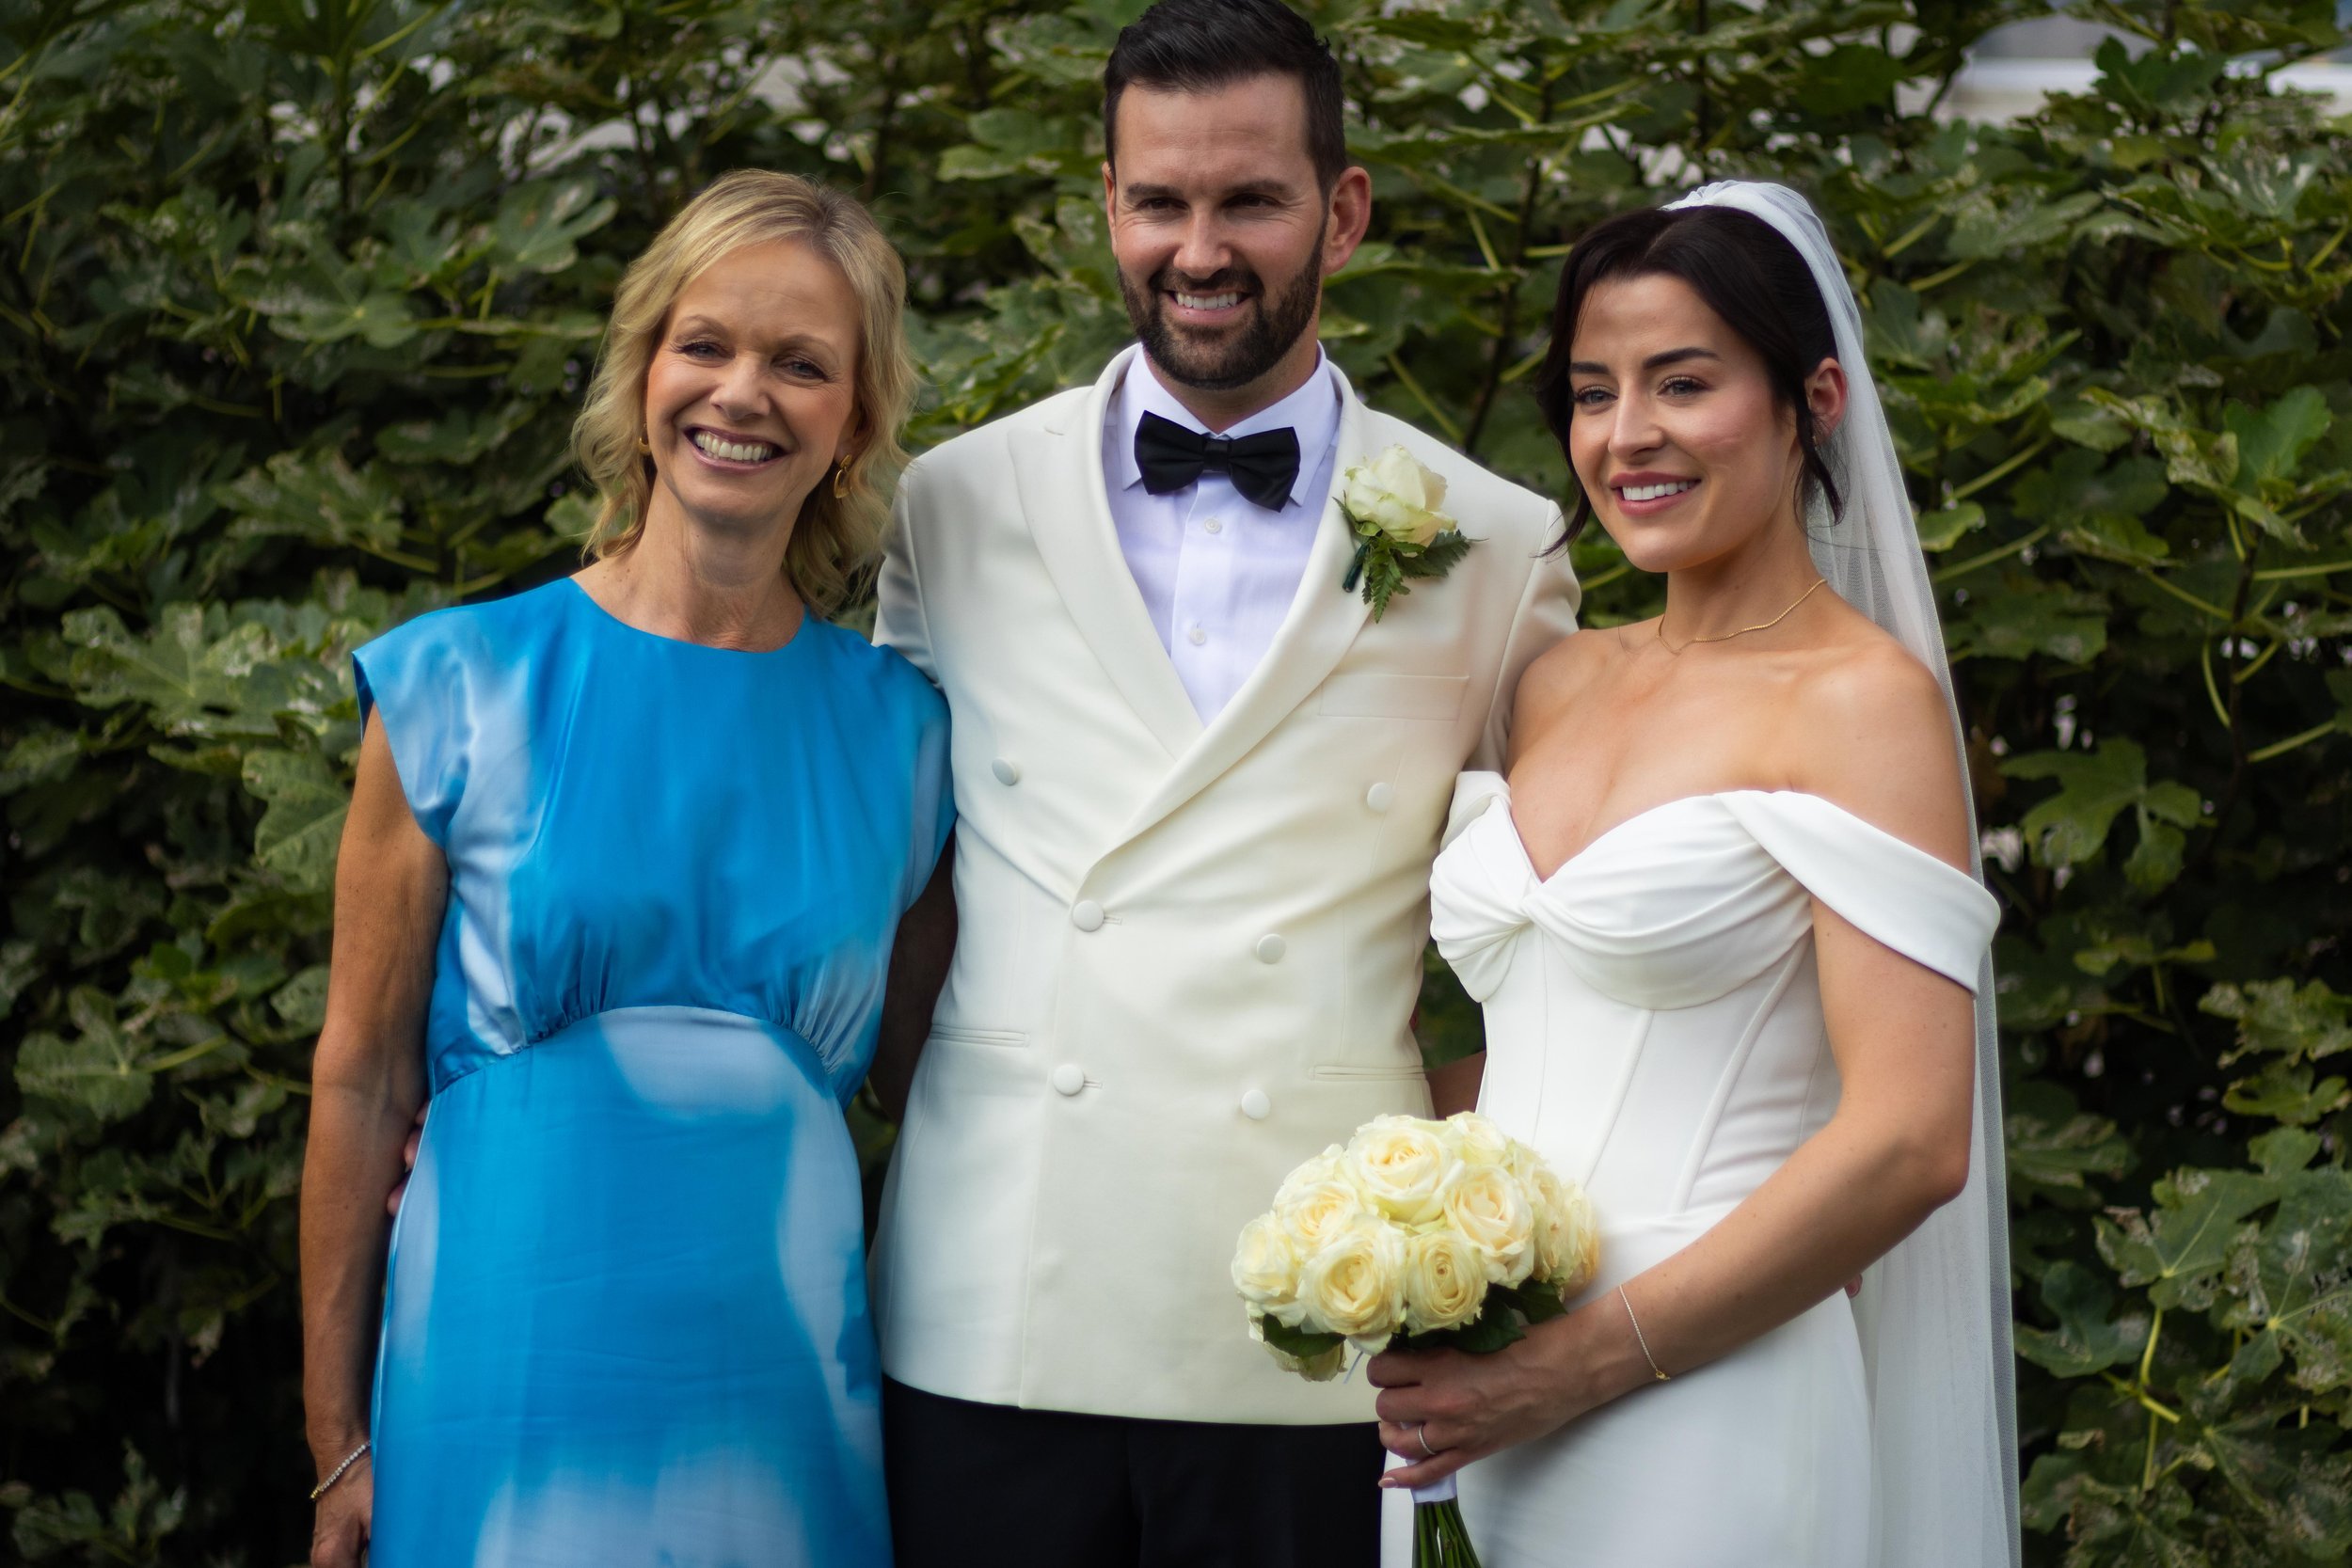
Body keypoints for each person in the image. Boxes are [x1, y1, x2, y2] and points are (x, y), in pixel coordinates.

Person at [864, 1, 1580, 1563]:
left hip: (1318, 1320)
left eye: (1249, 200)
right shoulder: (955, 498)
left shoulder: (1495, 541)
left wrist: (1484, 1216)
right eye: (1161, 202)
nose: (1200, 248)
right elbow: (883, 876)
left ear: (1345, 211)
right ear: (1107, 206)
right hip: (998, 1289)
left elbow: (1572, 939)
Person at [298, 169, 952, 1568]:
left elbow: (939, 1090)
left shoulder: (905, 736)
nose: (741, 392)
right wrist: (333, 1436)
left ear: (855, 422)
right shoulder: (453, 686)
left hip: (785, 1399)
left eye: (800, 364)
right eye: (703, 343)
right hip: (494, 1383)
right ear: (644, 368)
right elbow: (358, 1080)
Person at [1366, 182, 2016, 1567]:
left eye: (1683, 383)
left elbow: (1910, 1138)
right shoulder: (1552, 681)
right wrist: (1381, 1218)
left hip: (1705, 1393)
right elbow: (1550, 1034)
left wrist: (1581, 1365)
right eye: (1593, 392)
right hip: (1475, 1387)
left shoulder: (1860, 704)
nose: (1627, 435)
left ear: (1814, 399)